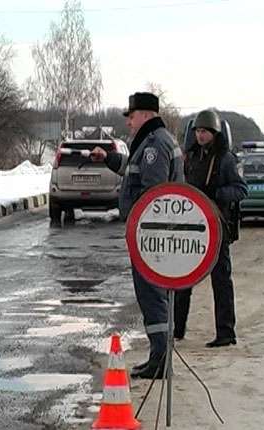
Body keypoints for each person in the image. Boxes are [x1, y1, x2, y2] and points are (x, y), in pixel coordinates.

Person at [90, 92, 184, 378]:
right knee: (151, 295)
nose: (129, 122)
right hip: (149, 234)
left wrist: (141, 229)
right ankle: (158, 356)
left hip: (150, 235)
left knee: (152, 295)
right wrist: (108, 159)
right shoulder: (151, 141)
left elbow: (152, 194)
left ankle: (161, 360)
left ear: (146, 114)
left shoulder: (155, 144)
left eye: (131, 116)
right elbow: (134, 172)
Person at [174, 110, 247, 347]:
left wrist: (216, 194)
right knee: (183, 277)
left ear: (214, 133)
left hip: (217, 226)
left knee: (221, 280)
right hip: (192, 226)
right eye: (197, 131)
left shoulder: (225, 159)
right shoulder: (190, 157)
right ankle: (177, 328)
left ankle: (226, 332)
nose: (200, 135)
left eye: (204, 131)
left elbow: (241, 189)